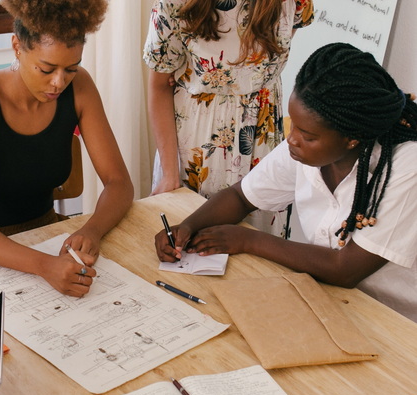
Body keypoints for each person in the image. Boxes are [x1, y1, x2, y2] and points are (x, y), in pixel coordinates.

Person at [155, 42, 417, 322]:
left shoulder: (406, 166)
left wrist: (248, 239)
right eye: (295, 126)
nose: (291, 138)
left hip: (398, 320)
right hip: (336, 300)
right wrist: (189, 226)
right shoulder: (305, 148)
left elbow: (345, 269)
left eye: (308, 135)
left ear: (351, 138)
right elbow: (241, 197)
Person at [0, 0, 133, 297]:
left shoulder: (80, 88)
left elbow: (119, 183)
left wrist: (92, 230)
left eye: (71, 69)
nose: (59, 82)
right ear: (18, 47)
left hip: (45, 235)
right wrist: (45, 266)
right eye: (46, 69)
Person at [143, 0, 314, 233]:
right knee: (188, 250)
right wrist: (171, 170)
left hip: (264, 141)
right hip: (196, 147)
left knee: (259, 258)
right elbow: (159, 85)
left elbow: (283, 41)